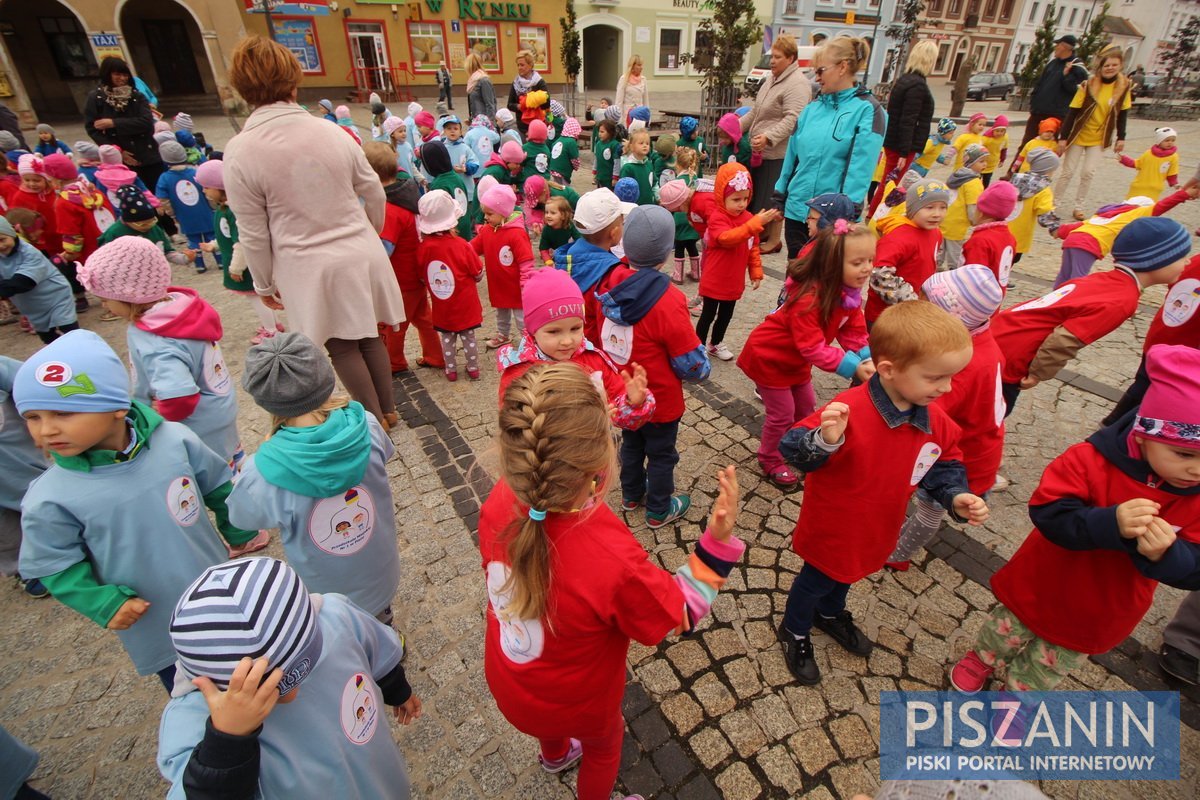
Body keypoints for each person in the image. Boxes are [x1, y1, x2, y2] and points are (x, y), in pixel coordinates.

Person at [479, 361, 741, 800]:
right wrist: (715, 544)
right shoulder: (608, 554)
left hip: (512, 682)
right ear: (602, 457)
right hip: (580, 701)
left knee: (553, 725)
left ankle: (555, 755)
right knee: (605, 747)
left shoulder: (499, 500)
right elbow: (677, 613)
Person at [950, 343, 1200, 695]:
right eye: (1184, 453)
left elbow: (1195, 570)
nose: (1196, 469)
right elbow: (1047, 511)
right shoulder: (1090, 460)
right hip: (1044, 580)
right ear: (1143, 436)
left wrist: (1167, 555)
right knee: (1006, 628)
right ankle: (982, 657)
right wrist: (1108, 523)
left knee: (1052, 662)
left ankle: (1019, 696)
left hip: (1104, 605)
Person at [14, 330, 256, 693]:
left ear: (116, 406)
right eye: (32, 416)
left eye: (63, 412)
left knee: (256, 670)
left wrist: (239, 528)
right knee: (199, 700)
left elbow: (218, 484)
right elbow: (54, 565)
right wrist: (103, 603)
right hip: (159, 624)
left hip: (222, 593)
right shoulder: (48, 498)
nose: (46, 430)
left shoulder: (174, 439)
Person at [777, 301, 988, 684]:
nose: (946, 387)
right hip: (833, 527)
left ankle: (829, 614)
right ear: (889, 370)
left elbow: (943, 463)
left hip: (878, 526)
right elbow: (792, 448)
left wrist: (955, 495)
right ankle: (794, 629)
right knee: (816, 580)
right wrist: (825, 440)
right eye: (936, 378)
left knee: (846, 577)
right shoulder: (848, 409)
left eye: (952, 377)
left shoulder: (934, 420)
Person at [223, 36, 405, 428]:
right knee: (369, 334)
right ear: (293, 82)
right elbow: (372, 189)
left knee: (341, 346)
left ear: (244, 90)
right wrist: (367, 232)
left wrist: (263, 281)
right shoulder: (333, 132)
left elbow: (252, 231)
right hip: (358, 247)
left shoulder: (241, 150)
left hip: (305, 260)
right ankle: (387, 409)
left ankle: (375, 419)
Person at [157, 558, 418, 798]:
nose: (294, 692)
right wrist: (226, 743)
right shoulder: (194, 719)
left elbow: (374, 648)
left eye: (301, 671)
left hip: (378, 778)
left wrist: (396, 690)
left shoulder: (334, 617)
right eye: (268, 689)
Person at [229, 334, 403, 625]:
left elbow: (242, 517)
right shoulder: (368, 425)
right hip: (379, 566)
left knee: (342, 631)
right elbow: (385, 454)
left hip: (325, 587)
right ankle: (387, 634)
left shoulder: (262, 470)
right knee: (381, 614)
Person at [78, 238, 251, 483]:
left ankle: (243, 511)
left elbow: (178, 394)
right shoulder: (180, 309)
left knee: (217, 474)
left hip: (197, 424)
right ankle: (243, 475)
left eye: (106, 299)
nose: (104, 306)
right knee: (230, 454)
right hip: (219, 406)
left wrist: (160, 423)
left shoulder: (157, 339)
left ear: (130, 295)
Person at [990, 217, 1191, 417]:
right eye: (1182, 256)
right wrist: (1038, 373)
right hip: (1011, 357)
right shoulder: (1122, 300)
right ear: (1157, 260)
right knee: (990, 416)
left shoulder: (1102, 280)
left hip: (1000, 335)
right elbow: (1064, 340)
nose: (1188, 262)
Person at [597, 206, 711, 528]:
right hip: (660, 399)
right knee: (662, 454)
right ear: (666, 253)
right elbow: (689, 359)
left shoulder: (608, 284)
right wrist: (703, 370)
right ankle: (659, 509)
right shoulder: (669, 299)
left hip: (623, 395)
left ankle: (631, 495)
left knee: (631, 444)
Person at [887, 266, 1006, 571]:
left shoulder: (956, 368)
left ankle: (898, 554)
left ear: (952, 320)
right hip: (977, 445)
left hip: (960, 456)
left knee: (929, 509)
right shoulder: (979, 342)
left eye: (927, 307)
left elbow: (928, 412)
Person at [738, 223, 874, 488]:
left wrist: (866, 358)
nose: (867, 268)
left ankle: (799, 448)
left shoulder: (847, 294)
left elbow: (853, 330)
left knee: (806, 408)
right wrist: (853, 367)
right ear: (832, 265)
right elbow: (812, 347)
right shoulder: (808, 298)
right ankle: (770, 458)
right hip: (770, 359)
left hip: (795, 363)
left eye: (870, 260)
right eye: (858, 262)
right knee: (782, 414)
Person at [495, 268, 655, 432]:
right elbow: (512, 427)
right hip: (544, 455)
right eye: (554, 331)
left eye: (575, 328)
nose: (567, 341)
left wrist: (633, 403)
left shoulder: (593, 360)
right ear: (532, 330)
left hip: (596, 450)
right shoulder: (519, 373)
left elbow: (617, 405)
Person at [774, 36, 884, 257]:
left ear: (842, 67)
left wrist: (847, 212)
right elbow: (793, 155)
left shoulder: (867, 110)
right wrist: (780, 192)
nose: (816, 77)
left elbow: (860, 167)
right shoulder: (811, 109)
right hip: (799, 211)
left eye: (821, 70)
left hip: (832, 218)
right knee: (796, 275)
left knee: (825, 280)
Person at [362, 142, 443, 373]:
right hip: (415, 274)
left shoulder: (389, 208)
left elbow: (384, 248)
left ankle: (393, 362)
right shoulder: (406, 193)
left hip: (400, 279)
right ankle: (436, 355)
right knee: (423, 318)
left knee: (394, 324)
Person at [1105, 250, 1200, 425]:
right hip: (1183, 347)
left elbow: (1175, 282)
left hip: (1162, 333)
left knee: (1143, 383)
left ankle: (1114, 423)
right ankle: (1119, 427)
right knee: (1154, 389)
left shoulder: (1194, 261)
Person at [194, 159, 283, 345]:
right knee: (259, 297)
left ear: (220, 187)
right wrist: (214, 245)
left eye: (206, 187)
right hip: (241, 261)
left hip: (246, 264)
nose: (203, 191)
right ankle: (274, 324)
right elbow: (227, 235)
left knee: (257, 297)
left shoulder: (232, 210)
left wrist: (235, 268)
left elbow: (242, 241)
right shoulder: (224, 209)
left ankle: (271, 330)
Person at [696, 163, 777, 361]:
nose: (741, 204)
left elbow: (753, 246)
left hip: (733, 281)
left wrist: (756, 271)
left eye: (745, 199)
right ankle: (696, 347)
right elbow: (727, 238)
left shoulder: (748, 218)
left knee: (725, 315)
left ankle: (715, 343)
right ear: (721, 197)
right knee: (707, 315)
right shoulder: (717, 217)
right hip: (714, 279)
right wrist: (753, 224)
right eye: (735, 199)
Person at [740, 35, 810, 251]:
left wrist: (769, 137)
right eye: (771, 56)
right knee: (761, 195)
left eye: (777, 57)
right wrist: (734, 127)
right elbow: (757, 111)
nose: (771, 61)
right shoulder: (772, 78)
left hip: (778, 152)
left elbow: (794, 118)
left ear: (790, 58)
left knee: (772, 197)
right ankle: (763, 235)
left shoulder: (797, 84)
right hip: (760, 151)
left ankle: (773, 241)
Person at [1050, 186, 1195, 287]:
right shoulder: (1135, 214)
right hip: (1088, 244)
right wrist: (1184, 194)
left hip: (1073, 240)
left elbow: (1080, 226)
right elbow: (1162, 206)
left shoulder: (1109, 215)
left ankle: (1052, 300)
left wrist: (1059, 231)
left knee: (1065, 274)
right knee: (1078, 277)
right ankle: (1069, 304)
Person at [1057, 47, 1132, 220]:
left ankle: (1079, 206)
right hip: (1079, 134)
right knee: (1067, 172)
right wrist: (1063, 137)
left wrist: (1121, 137)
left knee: (1088, 172)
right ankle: (1054, 203)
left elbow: (1123, 114)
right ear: (1100, 66)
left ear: (1120, 66)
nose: (1110, 68)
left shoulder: (1123, 87)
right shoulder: (1088, 85)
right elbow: (1072, 112)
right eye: (1107, 65)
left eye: (1114, 65)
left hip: (1099, 137)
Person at [417, 190, 484, 382]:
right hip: (465, 303)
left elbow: (422, 275)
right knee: (468, 337)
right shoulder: (462, 245)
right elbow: (477, 272)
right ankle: (472, 368)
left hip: (442, 304)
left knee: (447, 339)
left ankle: (451, 370)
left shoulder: (424, 248)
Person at [865, 178, 949, 326]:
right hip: (885, 316)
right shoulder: (897, 237)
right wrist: (909, 299)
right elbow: (879, 275)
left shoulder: (935, 232)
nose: (937, 214)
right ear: (913, 208)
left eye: (943, 207)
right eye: (929, 207)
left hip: (914, 311)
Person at [867, 40, 937, 218]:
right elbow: (909, 119)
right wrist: (904, 153)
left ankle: (876, 215)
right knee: (890, 183)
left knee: (888, 182)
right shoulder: (917, 86)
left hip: (895, 141)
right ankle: (877, 216)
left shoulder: (905, 81)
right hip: (901, 145)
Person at [0, 356, 49, 599]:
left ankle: (72, 545)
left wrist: (44, 420)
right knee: (6, 533)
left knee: (47, 504)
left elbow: (26, 381)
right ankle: (25, 568)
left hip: (21, 465)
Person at [554, 189, 626, 345]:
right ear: (614, 233)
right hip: (594, 348)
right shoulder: (610, 275)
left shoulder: (567, 257)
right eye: (622, 223)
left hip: (570, 344)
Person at [84, 57, 162, 191]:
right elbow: (93, 129)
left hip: (147, 152)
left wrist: (113, 123)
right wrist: (117, 152)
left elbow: (146, 121)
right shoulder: (96, 98)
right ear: (107, 74)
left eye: (125, 74)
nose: (122, 78)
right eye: (117, 74)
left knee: (156, 193)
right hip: (121, 155)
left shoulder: (136, 96)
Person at [1011, 34, 1088, 168]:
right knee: (1027, 143)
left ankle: (1040, 173)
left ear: (1066, 47)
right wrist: (1034, 101)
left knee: (1048, 148)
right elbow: (1040, 83)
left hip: (1057, 114)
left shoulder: (1077, 67)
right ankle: (1014, 171)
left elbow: (1076, 91)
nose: (1056, 47)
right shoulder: (1053, 63)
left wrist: (1066, 75)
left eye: (1058, 45)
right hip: (1038, 111)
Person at [0, 215, 77, 343]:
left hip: (55, 297)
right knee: (48, 339)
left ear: (12, 234)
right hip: (32, 305)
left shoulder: (29, 253)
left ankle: (82, 354)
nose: (1, 246)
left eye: (2, 239)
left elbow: (23, 282)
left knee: (70, 332)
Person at [474, 185, 534, 350]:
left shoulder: (516, 233)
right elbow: (472, 248)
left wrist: (526, 283)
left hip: (516, 286)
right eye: (485, 213)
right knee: (501, 313)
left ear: (503, 212)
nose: (485, 218)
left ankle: (528, 340)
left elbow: (526, 261)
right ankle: (503, 335)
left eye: (489, 214)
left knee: (521, 317)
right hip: (499, 284)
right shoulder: (487, 230)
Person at [155, 140, 215, 275]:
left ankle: (199, 264)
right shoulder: (196, 172)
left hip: (184, 215)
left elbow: (163, 200)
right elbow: (208, 191)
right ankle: (220, 260)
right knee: (212, 236)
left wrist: (172, 214)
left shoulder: (164, 178)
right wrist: (212, 206)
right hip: (205, 212)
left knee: (193, 240)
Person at [962, 180, 1019, 291]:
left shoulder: (980, 241)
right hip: (995, 296)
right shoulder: (1009, 237)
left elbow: (972, 277)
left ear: (981, 212)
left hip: (974, 302)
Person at [1007, 148, 1060, 264]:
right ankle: (999, 280)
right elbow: (1045, 213)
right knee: (1010, 261)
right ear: (1048, 170)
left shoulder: (1015, 180)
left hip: (1001, 228)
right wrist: (1055, 228)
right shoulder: (1043, 190)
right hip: (1019, 235)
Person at [940, 144, 988, 270]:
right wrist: (976, 222)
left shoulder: (956, 175)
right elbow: (972, 207)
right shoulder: (974, 183)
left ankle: (931, 274)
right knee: (955, 259)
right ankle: (954, 278)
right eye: (981, 161)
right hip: (957, 225)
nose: (985, 165)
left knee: (937, 253)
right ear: (971, 162)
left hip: (944, 220)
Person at [666, 149, 701, 284]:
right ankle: (696, 272)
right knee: (692, 246)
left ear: (678, 165)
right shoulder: (695, 180)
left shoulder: (677, 181)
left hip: (680, 218)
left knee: (680, 247)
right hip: (693, 218)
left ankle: (678, 275)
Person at [1118, 127, 1180, 200]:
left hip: (1155, 189)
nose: (1170, 142)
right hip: (1139, 187)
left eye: (1173, 140)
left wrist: (1175, 183)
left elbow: (1172, 173)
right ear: (1159, 141)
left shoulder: (1173, 157)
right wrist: (1124, 159)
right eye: (1167, 140)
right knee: (1130, 207)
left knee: (1147, 209)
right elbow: (1137, 164)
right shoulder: (1148, 153)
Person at [507, 50, 548, 134]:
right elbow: (510, 104)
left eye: (522, 65)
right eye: (518, 65)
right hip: (522, 127)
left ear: (530, 65)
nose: (519, 67)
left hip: (538, 126)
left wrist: (533, 102)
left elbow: (547, 103)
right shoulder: (516, 83)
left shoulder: (539, 82)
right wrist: (521, 106)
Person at [619, 130, 655, 206]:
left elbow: (654, 183)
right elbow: (623, 189)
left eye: (647, 143)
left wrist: (658, 197)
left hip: (649, 204)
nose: (645, 145)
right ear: (632, 147)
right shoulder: (628, 167)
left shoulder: (649, 164)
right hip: (634, 206)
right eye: (641, 143)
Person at [538, 196, 577, 262]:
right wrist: (548, 260)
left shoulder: (569, 226)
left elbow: (580, 240)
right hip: (555, 255)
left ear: (563, 215)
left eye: (553, 213)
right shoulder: (547, 229)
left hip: (570, 253)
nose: (548, 215)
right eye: (546, 212)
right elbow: (543, 249)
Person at [464, 52, 496, 121]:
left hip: (484, 122)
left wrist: (489, 124)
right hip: (476, 121)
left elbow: (490, 104)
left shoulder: (483, 81)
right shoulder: (472, 81)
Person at [980, 115, 1009, 187]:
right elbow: (978, 148)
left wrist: (1002, 160)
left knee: (987, 180)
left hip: (992, 163)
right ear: (993, 130)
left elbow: (1004, 149)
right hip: (982, 162)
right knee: (977, 179)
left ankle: (984, 192)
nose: (999, 133)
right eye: (997, 131)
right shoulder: (986, 138)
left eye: (1002, 131)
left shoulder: (1005, 138)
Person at [593, 119, 621, 189]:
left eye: (602, 132)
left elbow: (617, 162)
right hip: (600, 177)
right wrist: (594, 172)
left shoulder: (615, 145)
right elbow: (597, 158)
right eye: (599, 131)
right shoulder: (598, 144)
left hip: (610, 179)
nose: (599, 134)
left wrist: (615, 177)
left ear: (610, 132)